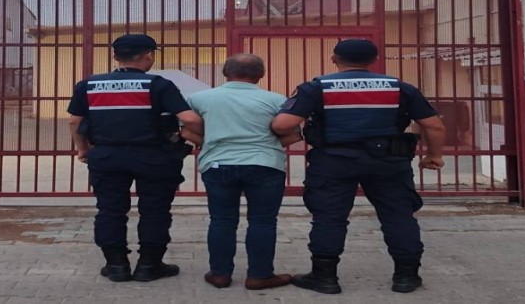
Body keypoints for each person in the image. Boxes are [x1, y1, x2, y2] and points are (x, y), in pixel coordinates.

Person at [270, 39, 446, 294]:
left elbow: (282, 125)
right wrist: (434, 155)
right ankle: (406, 277)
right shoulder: (400, 87)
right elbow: (434, 125)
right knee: (398, 215)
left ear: (334, 59)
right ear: (374, 60)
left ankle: (324, 277)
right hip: (388, 162)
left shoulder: (317, 87)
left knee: (329, 217)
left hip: (334, 161)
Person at [67, 34, 204, 283]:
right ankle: (149, 266)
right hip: (154, 157)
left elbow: (75, 121)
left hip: (107, 156)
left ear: (115, 56)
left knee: (110, 210)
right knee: (155, 210)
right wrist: (204, 138)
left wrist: (82, 149)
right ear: (148, 55)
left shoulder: (89, 84)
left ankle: (116, 266)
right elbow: (190, 119)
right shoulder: (158, 84)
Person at [183, 54, 302, 291]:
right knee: (263, 221)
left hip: (218, 165)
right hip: (265, 164)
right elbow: (294, 135)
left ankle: (219, 274)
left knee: (221, 220)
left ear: (225, 72)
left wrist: (215, 143)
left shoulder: (199, 99)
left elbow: (187, 132)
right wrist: (264, 146)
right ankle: (260, 275)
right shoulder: (276, 100)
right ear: (261, 74)